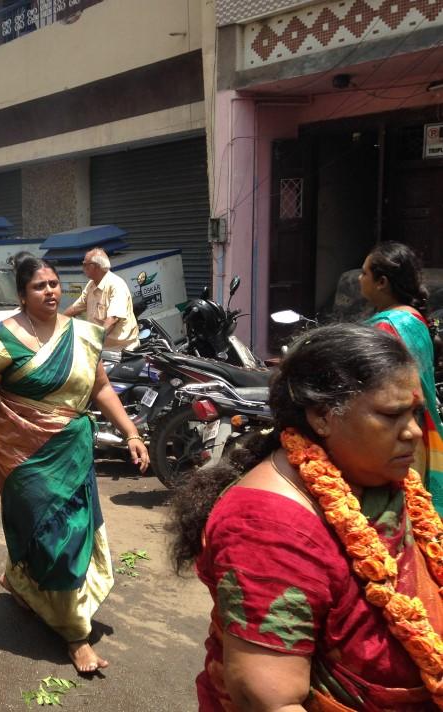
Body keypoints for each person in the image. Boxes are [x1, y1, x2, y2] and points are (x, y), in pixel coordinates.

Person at [168, 323, 443, 710]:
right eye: (391, 414)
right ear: (321, 416)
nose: (413, 432)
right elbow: (269, 700)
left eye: (415, 414)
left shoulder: (381, 479)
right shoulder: (266, 525)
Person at [0, 254, 149, 674]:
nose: (49, 291)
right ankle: (69, 629)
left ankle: (72, 630)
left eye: (53, 284)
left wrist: (131, 433)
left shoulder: (83, 333)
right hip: (21, 457)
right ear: (22, 295)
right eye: (38, 286)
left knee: (69, 535)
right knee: (39, 530)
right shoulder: (2, 339)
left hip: (73, 450)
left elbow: (101, 387)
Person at [360, 241, 443, 514]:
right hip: (418, 426)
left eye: (364, 274)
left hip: (396, 430)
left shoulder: (388, 325)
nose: (360, 279)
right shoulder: (414, 318)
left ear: (381, 282)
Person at [63, 247, 138, 353]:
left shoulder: (116, 285)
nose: (82, 267)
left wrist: (94, 341)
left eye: (84, 264)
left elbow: (112, 320)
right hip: (101, 349)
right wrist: (56, 324)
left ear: (94, 267)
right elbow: (75, 308)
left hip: (119, 351)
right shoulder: (92, 284)